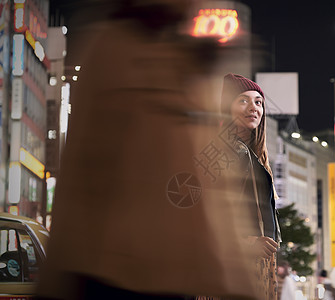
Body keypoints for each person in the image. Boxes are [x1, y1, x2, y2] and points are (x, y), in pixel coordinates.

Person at [36, 1, 259, 299]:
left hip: (163, 269)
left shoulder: (188, 59)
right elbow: (81, 172)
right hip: (113, 271)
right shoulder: (115, 49)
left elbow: (203, 184)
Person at [219, 73, 281, 300]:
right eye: (242, 100)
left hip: (257, 265)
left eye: (258, 102)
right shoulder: (227, 150)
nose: (253, 108)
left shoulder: (251, 153)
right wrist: (247, 241)